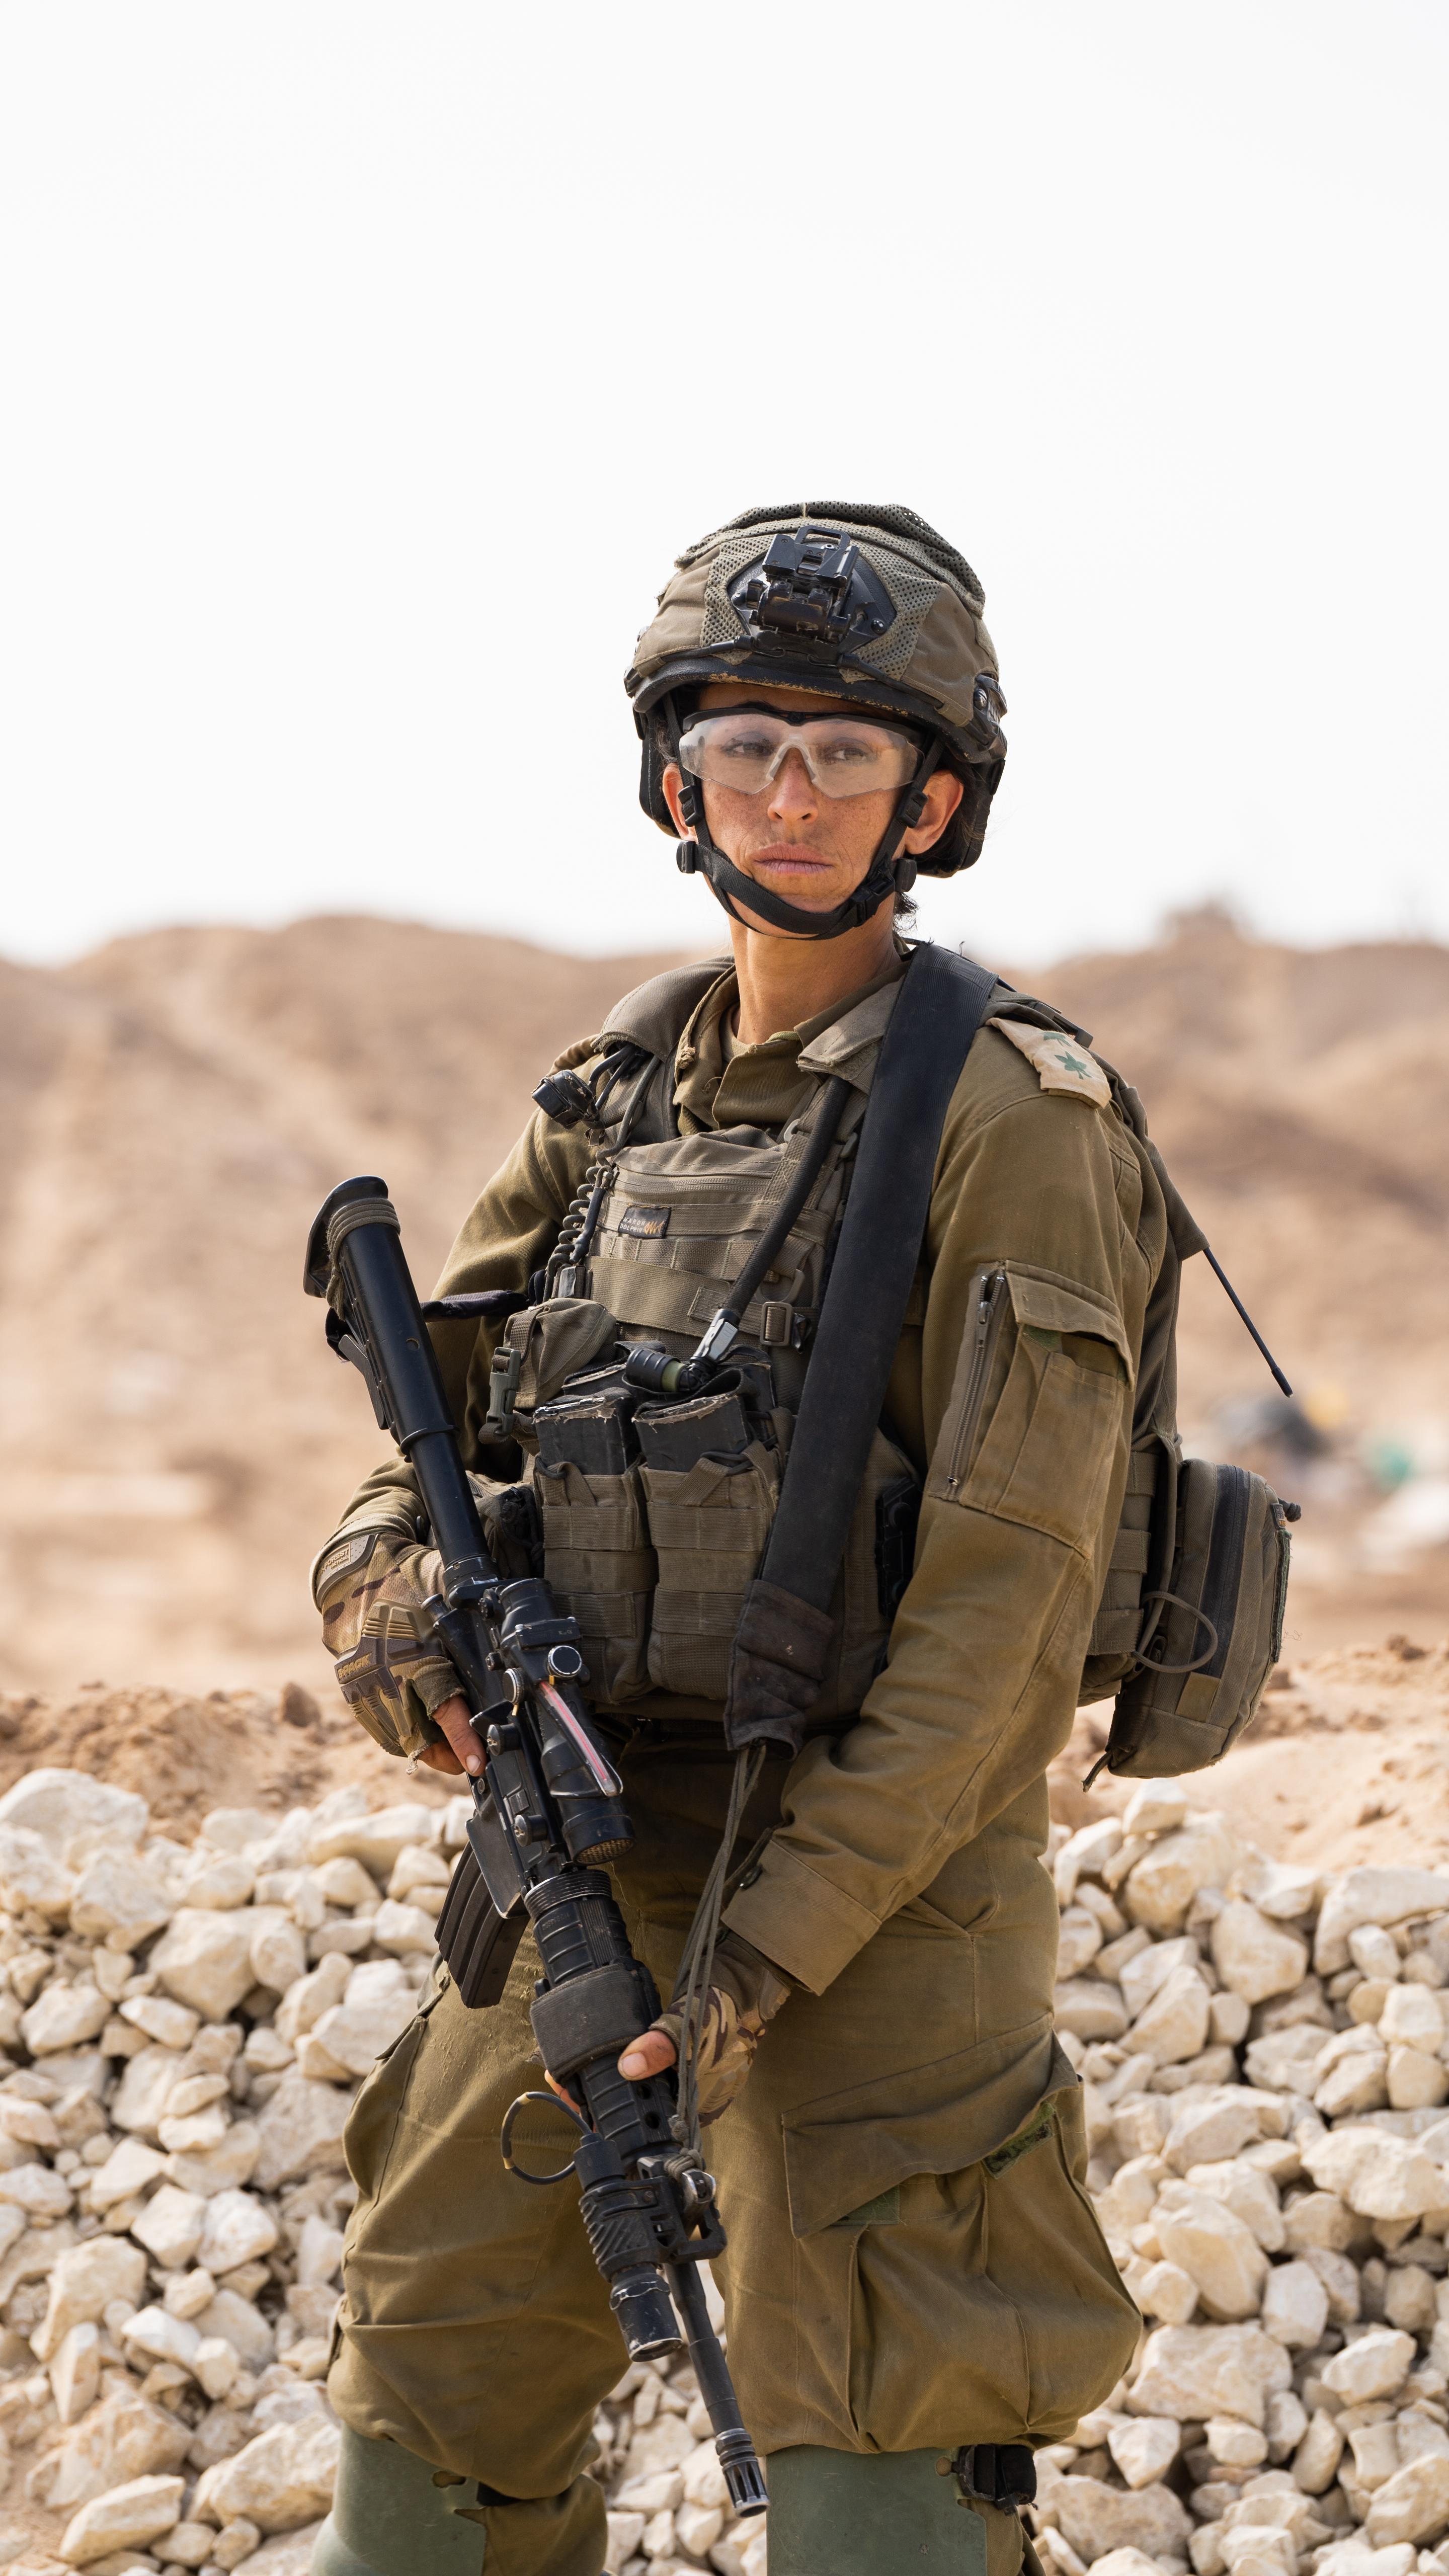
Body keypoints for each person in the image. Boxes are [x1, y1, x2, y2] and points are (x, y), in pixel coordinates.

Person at [310, 504, 1158, 2576]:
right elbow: (423, 1445)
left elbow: (1006, 1613)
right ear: (674, 777)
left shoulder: (1018, 1117)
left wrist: (769, 1955)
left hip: (884, 1867)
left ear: (933, 799)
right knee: (432, 2382)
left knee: (878, 2435)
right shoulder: (619, 1089)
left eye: (845, 751)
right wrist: (393, 1607)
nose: (790, 793)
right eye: (744, 742)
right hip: (593, 1833)